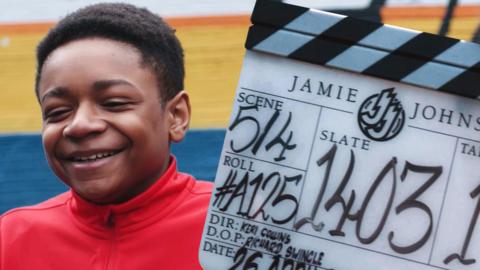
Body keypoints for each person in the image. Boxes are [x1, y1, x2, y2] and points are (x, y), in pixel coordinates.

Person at [0, 3, 213, 269]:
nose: (79, 125)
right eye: (58, 111)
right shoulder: (13, 239)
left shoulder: (240, 228)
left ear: (176, 116)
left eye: (114, 103)